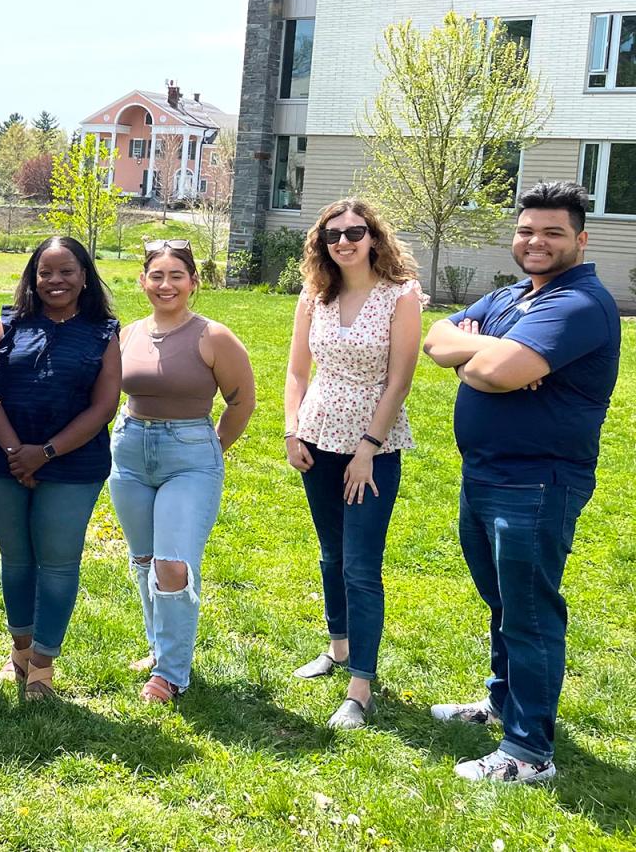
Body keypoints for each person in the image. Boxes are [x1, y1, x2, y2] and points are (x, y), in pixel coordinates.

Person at [422, 181, 620, 783]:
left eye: (553, 232)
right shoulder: (514, 296)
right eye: (527, 230)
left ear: (580, 240)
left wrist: (489, 360)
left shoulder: (580, 304)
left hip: (536, 483)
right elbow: (436, 340)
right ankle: (503, 703)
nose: (536, 241)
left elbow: (497, 373)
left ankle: (529, 753)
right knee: (504, 602)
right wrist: (489, 353)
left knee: (529, 613)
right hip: (485, 472)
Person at [283, 199, 423, 729]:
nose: (344, 242)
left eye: (355, 232)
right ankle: (338, 648)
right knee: (330, 554)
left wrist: (369, 447)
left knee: (361, 565)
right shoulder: (315, 295)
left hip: (373, 447)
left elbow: (400, 380)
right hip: (316, 438)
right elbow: (297, 371)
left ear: (373, 237)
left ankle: (360, 685)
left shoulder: (400, 295)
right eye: (332, 235)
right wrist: (292, 428)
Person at [0, 237, 122, 700]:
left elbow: (105, 405)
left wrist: (47, 452)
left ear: (84, 276)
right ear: (32, 278)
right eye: (45, 272)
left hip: (74, 464)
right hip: (5, 458)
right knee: (16, 559)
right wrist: (18, 451)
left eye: (66, 272)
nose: (55, 281)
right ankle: (19, 653)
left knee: (57, 564)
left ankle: (42, 664)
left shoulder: (103, 330)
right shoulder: (9, 324)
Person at [110, 239, 256, 705]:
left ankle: (171, 673)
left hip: (190, 455)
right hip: (130, 450)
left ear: (194, 282)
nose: (166, 284)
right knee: (145, 560)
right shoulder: (127, 334)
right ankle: (160, 648)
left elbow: (241, 402)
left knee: (173, 564)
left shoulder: (213, 336)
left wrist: (210, 448)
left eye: (177, 275)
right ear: (142, 281)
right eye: (157, 275)